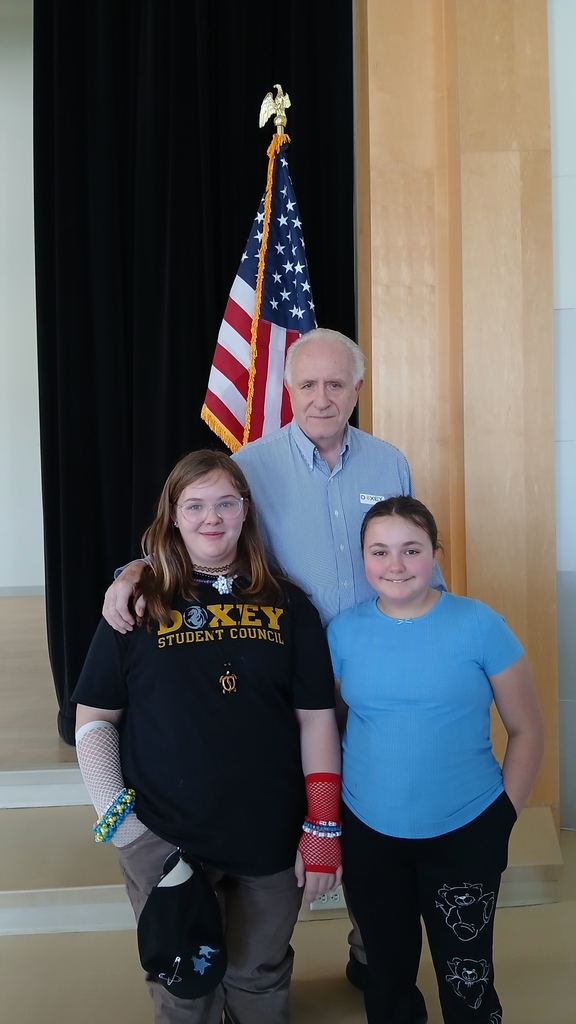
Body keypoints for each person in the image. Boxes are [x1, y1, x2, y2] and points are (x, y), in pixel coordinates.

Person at [102, 327, 445, 1004]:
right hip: (287, 676)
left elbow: (412, 550)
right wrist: (134, 570)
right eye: (307, 384)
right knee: (296, 799)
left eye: (336, 384)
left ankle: (371, 950)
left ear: (357, 389)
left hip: (377, 673)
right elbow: (200, 524)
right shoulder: (250, 463)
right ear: (287, 390)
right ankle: (242, 962)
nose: (322, 397)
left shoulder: (389, 462)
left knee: (381, 816)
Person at [72, 449, 342, 1024]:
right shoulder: (138, 605)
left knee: (260, 977)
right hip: (165, 837)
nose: (211, 518)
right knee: (184, 987)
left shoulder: (290, 605)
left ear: (246, 511)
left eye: (225, 502)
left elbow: (316, 718)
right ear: (172, 515)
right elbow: (94, 719)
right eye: (194, 505)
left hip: (269, 835)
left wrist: (321, 824)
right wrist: (124, 827)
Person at [327, 495, 544, 1024]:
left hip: (466, 830)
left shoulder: (479, 624)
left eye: (411, 549)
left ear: (434, 553)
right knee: (387, 974)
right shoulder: (342, 633)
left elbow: (527, 728)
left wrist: (501, 818)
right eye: (379, 552)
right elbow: (330, 728)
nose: (395, 565)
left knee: (467, 976)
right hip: (370, 835)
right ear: (362, 558)